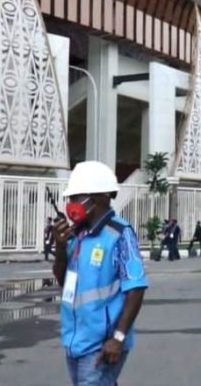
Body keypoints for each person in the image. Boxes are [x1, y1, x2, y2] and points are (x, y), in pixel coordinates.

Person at [53, 161, 148, 386]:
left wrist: (118, 338)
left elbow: (136, 288)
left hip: (102, 345)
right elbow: (62, 280)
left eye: (75, 198)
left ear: (94, 200)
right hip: (75, 341)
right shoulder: (77, 235)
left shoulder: (119, 234)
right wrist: (59, 248)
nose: (70, 204)